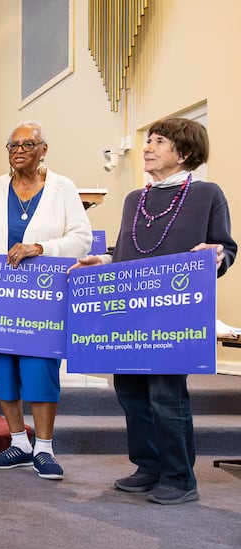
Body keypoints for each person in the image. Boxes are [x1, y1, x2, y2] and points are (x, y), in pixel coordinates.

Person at [71, 118, 235, 504]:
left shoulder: (208, 194)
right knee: (129, 391)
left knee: (166, 395)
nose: (147, 148)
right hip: (129, 314)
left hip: (173, 315)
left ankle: (180, 478)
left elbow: (225, 248)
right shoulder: (134, 199)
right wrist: (104, 259)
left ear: (186, 153)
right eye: (148, 141)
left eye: (158, 142)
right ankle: (148, 466)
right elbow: (129, 254)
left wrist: (216, 256)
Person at [0, 121, 91, 480]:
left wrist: (41, 248)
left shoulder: (62, 188)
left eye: (28, 144)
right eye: (13, 145)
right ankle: (18, 442)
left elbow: (81, 239)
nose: (19, 150)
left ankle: (45, 449)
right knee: (2, 370)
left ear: (44, 149)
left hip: (42, 300)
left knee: (39, 370)